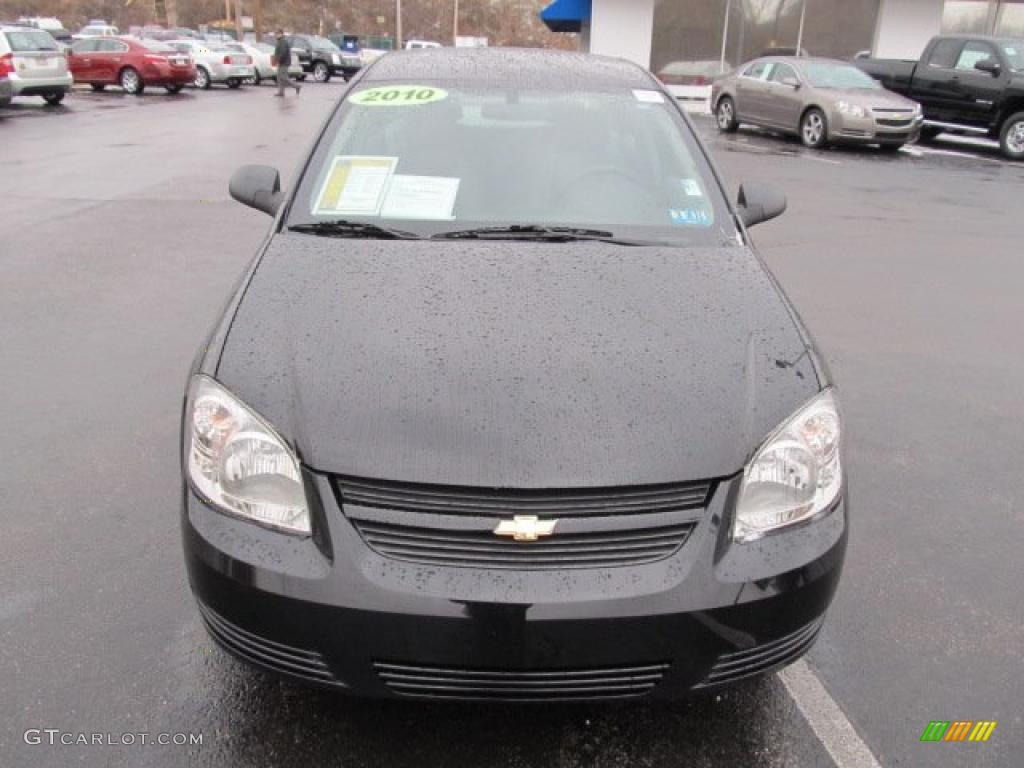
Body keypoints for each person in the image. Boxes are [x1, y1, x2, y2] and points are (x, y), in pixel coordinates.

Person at [273, 30, 301, 97]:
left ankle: (297, 86)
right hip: (282, 62)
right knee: (279, 77)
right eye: (276, 34)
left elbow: (283, 53)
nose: (276, 35)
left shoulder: (283, 42)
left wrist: (279, 61)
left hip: (284, 62)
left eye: (278, 34)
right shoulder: (280, 41)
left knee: (283, 77)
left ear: (281, 34)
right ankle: (281, 92)